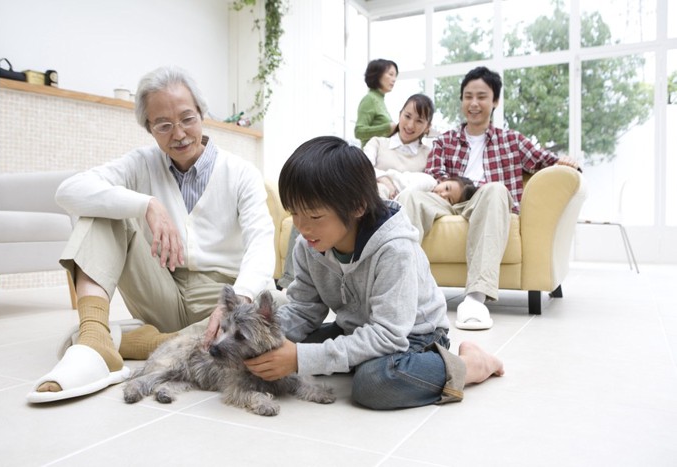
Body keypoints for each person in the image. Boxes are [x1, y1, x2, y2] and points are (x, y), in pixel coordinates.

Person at [26, 65, 277, 403]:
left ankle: (140, 342)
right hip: (161, 287)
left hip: (218, 301)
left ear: (202, 114)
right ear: (149, 128)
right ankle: (94, 339)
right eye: (163, 125)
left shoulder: (240, 172)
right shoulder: (141, 164)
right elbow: (69, 191)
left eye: (187, 119)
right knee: (103, 214)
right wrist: (145, 205)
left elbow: (262, 242)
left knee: (283, 307)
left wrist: (240, 300)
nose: (179, 134)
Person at [244, 136, 504, 410]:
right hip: (357, 328)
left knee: (374, 383)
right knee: (277, 346)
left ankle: (467, 365)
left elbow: (389, 335)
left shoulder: (394, 249)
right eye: (294, 213)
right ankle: (357, 359)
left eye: (315, 216)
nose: (303, 227)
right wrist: (260, 339)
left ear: (357, 206)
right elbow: (303, 309)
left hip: (414, 337)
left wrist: (299, 358)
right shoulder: (308, 245)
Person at [397, 66, 581, 331]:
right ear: (461, 100)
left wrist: (566, 162)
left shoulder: (511, 141)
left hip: (486, 200)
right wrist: (454, 187)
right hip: (447, 199)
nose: (474, 103)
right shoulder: (446, 140)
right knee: (410, 197)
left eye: (481, 97)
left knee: (495, 189)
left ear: (494, 101)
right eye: (468, 96)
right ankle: (404, 293)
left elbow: (545, 161)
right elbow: (434, 174)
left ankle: (475, 299)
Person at [362, 93, 436, 199]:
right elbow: (361, 168)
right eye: (407, 116)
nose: (410, 125)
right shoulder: (377, 143)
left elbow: (430, 187)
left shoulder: (429, 155)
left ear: (427, 127)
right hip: (373, 203)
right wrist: (384, 180)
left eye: (419, 121)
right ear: (400, 114)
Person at [354, 59, 398, 148]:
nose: (394, 79)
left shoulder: (380, 100)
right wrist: (387, 128)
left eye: (395, 76)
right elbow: (358, 132)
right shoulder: (370, 99)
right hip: (369, 158)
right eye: (391, 74)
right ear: (378, 75)